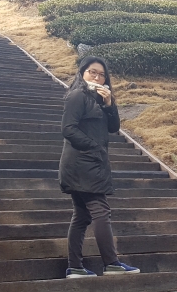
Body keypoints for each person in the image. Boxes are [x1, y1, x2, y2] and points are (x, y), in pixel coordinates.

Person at [59, 56, 139, 278]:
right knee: (101, 211)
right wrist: (93, 147)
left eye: (102, 74)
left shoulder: (100, 99)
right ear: (82, 73)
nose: (97, 77)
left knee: (81, 216)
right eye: (92, 72)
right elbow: (68, 128)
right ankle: (111, 263)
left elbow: (114, 128)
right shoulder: (78, 95)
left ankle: (75, 267)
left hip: (90, 163)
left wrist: (109, 104)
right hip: (82, 164)